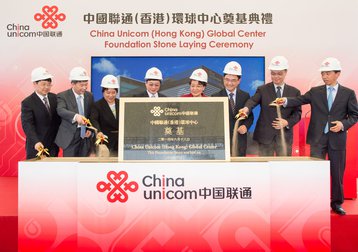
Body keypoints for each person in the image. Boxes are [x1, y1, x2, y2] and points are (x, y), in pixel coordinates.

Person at [280, 57, 358, 215]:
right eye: (323, 73)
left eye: (328, 73)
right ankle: (317, 203)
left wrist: (343, 125)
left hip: (337, 139)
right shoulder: (315, 92)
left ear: (338, 74)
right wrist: (286, 101)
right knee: (317, 173)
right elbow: (300, 100)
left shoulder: (348, 93)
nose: (324, 76)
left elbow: (354, 115)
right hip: (317, 139)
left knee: (337, 173)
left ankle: (336, 203)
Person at [240, 56, 302, 156]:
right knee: (264, 167)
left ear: (285, 72)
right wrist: (246, 108)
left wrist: (287, 122)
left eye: (279, 74)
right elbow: (253, 100)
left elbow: (297, 113)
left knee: (283, 168)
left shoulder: (294, 92)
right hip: (265, 138)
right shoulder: (262, 90)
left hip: (284, 138)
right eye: (273, 73)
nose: (276, 76)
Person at [212, 61, 253, 156]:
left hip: (240, 141)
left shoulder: (245, 96)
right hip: (221, 143)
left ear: (239, 81)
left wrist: (245, 126)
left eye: (233, 80)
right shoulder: (215, 97)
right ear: (223, 79)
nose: (229, 83)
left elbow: (250, 117)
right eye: (227, 79)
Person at [21, 67, 60, 159]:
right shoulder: (27, 102)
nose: (46, 87)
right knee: (35, 172)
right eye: (43, 84)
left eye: (49, 84)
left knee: (53, 172)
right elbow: (27, 124)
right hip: (37, 146)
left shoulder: (55, 98)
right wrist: (36, 141)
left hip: (53, 146)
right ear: (34, 83)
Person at [55, 67, 94, 157]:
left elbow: (91, 114)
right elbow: (60, 110)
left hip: (85, 138)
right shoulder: (63, 96)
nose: (84, 88)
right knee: (70, 166)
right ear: (72, 83)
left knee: (84, 166)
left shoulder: (89, 96)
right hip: (70, 138)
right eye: (81, 85)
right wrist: (76, 117)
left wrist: (89, 129)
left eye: (86, 85)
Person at [91, 74, 119, 156]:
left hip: (120, 142)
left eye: (113, 92)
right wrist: (98, 132)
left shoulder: (121, 103)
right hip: (105, 141)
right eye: (108, 92)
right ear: (103, 92)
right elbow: (94, 120)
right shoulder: (97, 105)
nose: (111, 95)